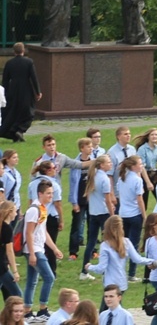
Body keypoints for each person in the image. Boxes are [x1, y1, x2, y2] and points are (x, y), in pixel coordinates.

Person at [84, 215, 154, 312]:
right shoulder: (126, 242)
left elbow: (101, 268)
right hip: (121, 283)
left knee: (105, 313)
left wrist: (89, 267)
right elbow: (138, 259)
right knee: (115, 310)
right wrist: (153, 261)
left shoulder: (105, 245)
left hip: (110, 284)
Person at [23, 180, 63, 323]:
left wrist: (54, 248)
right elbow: (28, 233)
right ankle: (42, 309)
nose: (50, 196)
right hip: (34, 249)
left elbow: (43, 232)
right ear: (40, 194)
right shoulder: (34, 210)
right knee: (49, 277)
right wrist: (32, 253)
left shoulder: (42, 209)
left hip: (37, 248)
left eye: (51, 193)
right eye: (48, 194)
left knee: (32, 281)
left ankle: (27, 312)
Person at [80, 155, 114, 281]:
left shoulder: (92, 177)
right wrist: (112, 215)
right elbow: (108, 200)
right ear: (101, 165)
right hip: (104, 213)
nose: (110, 164)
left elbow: (89, 196)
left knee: (91, 242)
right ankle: (106, 269)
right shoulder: (105, 179)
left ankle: (84, 271)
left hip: (93, 213)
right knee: (108, 242)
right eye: (108, 162)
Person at [0, 42, 42, 143]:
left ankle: (13, 134)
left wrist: (4, 93)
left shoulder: (9, 63)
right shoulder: (29, 62)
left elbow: (5, 80)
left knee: (14, 112)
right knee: (29, 112)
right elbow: (33, 77)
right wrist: (38, 91)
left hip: (12, 90)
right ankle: (20, 129)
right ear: (23, 50)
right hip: (26, 90)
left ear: (14, 51)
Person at [116, 156, 146, 282]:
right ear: (133, 166)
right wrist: (144, 215)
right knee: (133, 244)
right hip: (134, 215)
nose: (141, 165)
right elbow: (139, 199)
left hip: (123, 214)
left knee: (122, 244)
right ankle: (132, 273)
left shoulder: (122, 179)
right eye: (140, 163)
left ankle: (120, 270)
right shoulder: (137, 180)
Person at [68, 138, 92, 261]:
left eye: (91, 146)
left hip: (92, 200)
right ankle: (73, 251)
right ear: (82, 148)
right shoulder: (75, 163)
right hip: (80, 200)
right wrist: (74, 202)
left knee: (92, 226)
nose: (91, 148)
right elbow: (73, 183)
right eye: (88, 146)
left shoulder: (94, 162)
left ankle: (92, 250)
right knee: (76, 226)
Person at [133, 128, 157, 209]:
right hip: (145, 175)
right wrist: (148, 182)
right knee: (143, 202)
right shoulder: (142, 149)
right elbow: (141, 166)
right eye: (152, 135)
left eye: (156, 135)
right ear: (148, 137)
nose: (154, 136)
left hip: (155, 174)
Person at [106, 127, 136, 203]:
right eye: (125, 134)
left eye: (129, 134)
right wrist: (112, 194)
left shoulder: (132, 150)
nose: (128, 136)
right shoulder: (112, 152)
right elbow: (109, 175)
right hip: (119, 192)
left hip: (132, 190)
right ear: (119, 136)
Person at [0, 202, 21, 298]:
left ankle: (6, 313)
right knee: (17, 294)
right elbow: (10, 251)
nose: (16, 214)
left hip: (3, 265)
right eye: (15, 211)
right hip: (2, 267)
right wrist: (15, 271)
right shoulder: (7, 229)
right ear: (10, 212)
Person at [2, 151, 22, 228]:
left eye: (17, 157)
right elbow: (2, 191)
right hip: (6, 206)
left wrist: (19, 208)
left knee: (12, 230)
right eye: (14, 157)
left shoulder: (17, 173)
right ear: (7, 159)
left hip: (15, 205)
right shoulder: (4, 173)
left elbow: (17, 192)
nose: (17, 159)